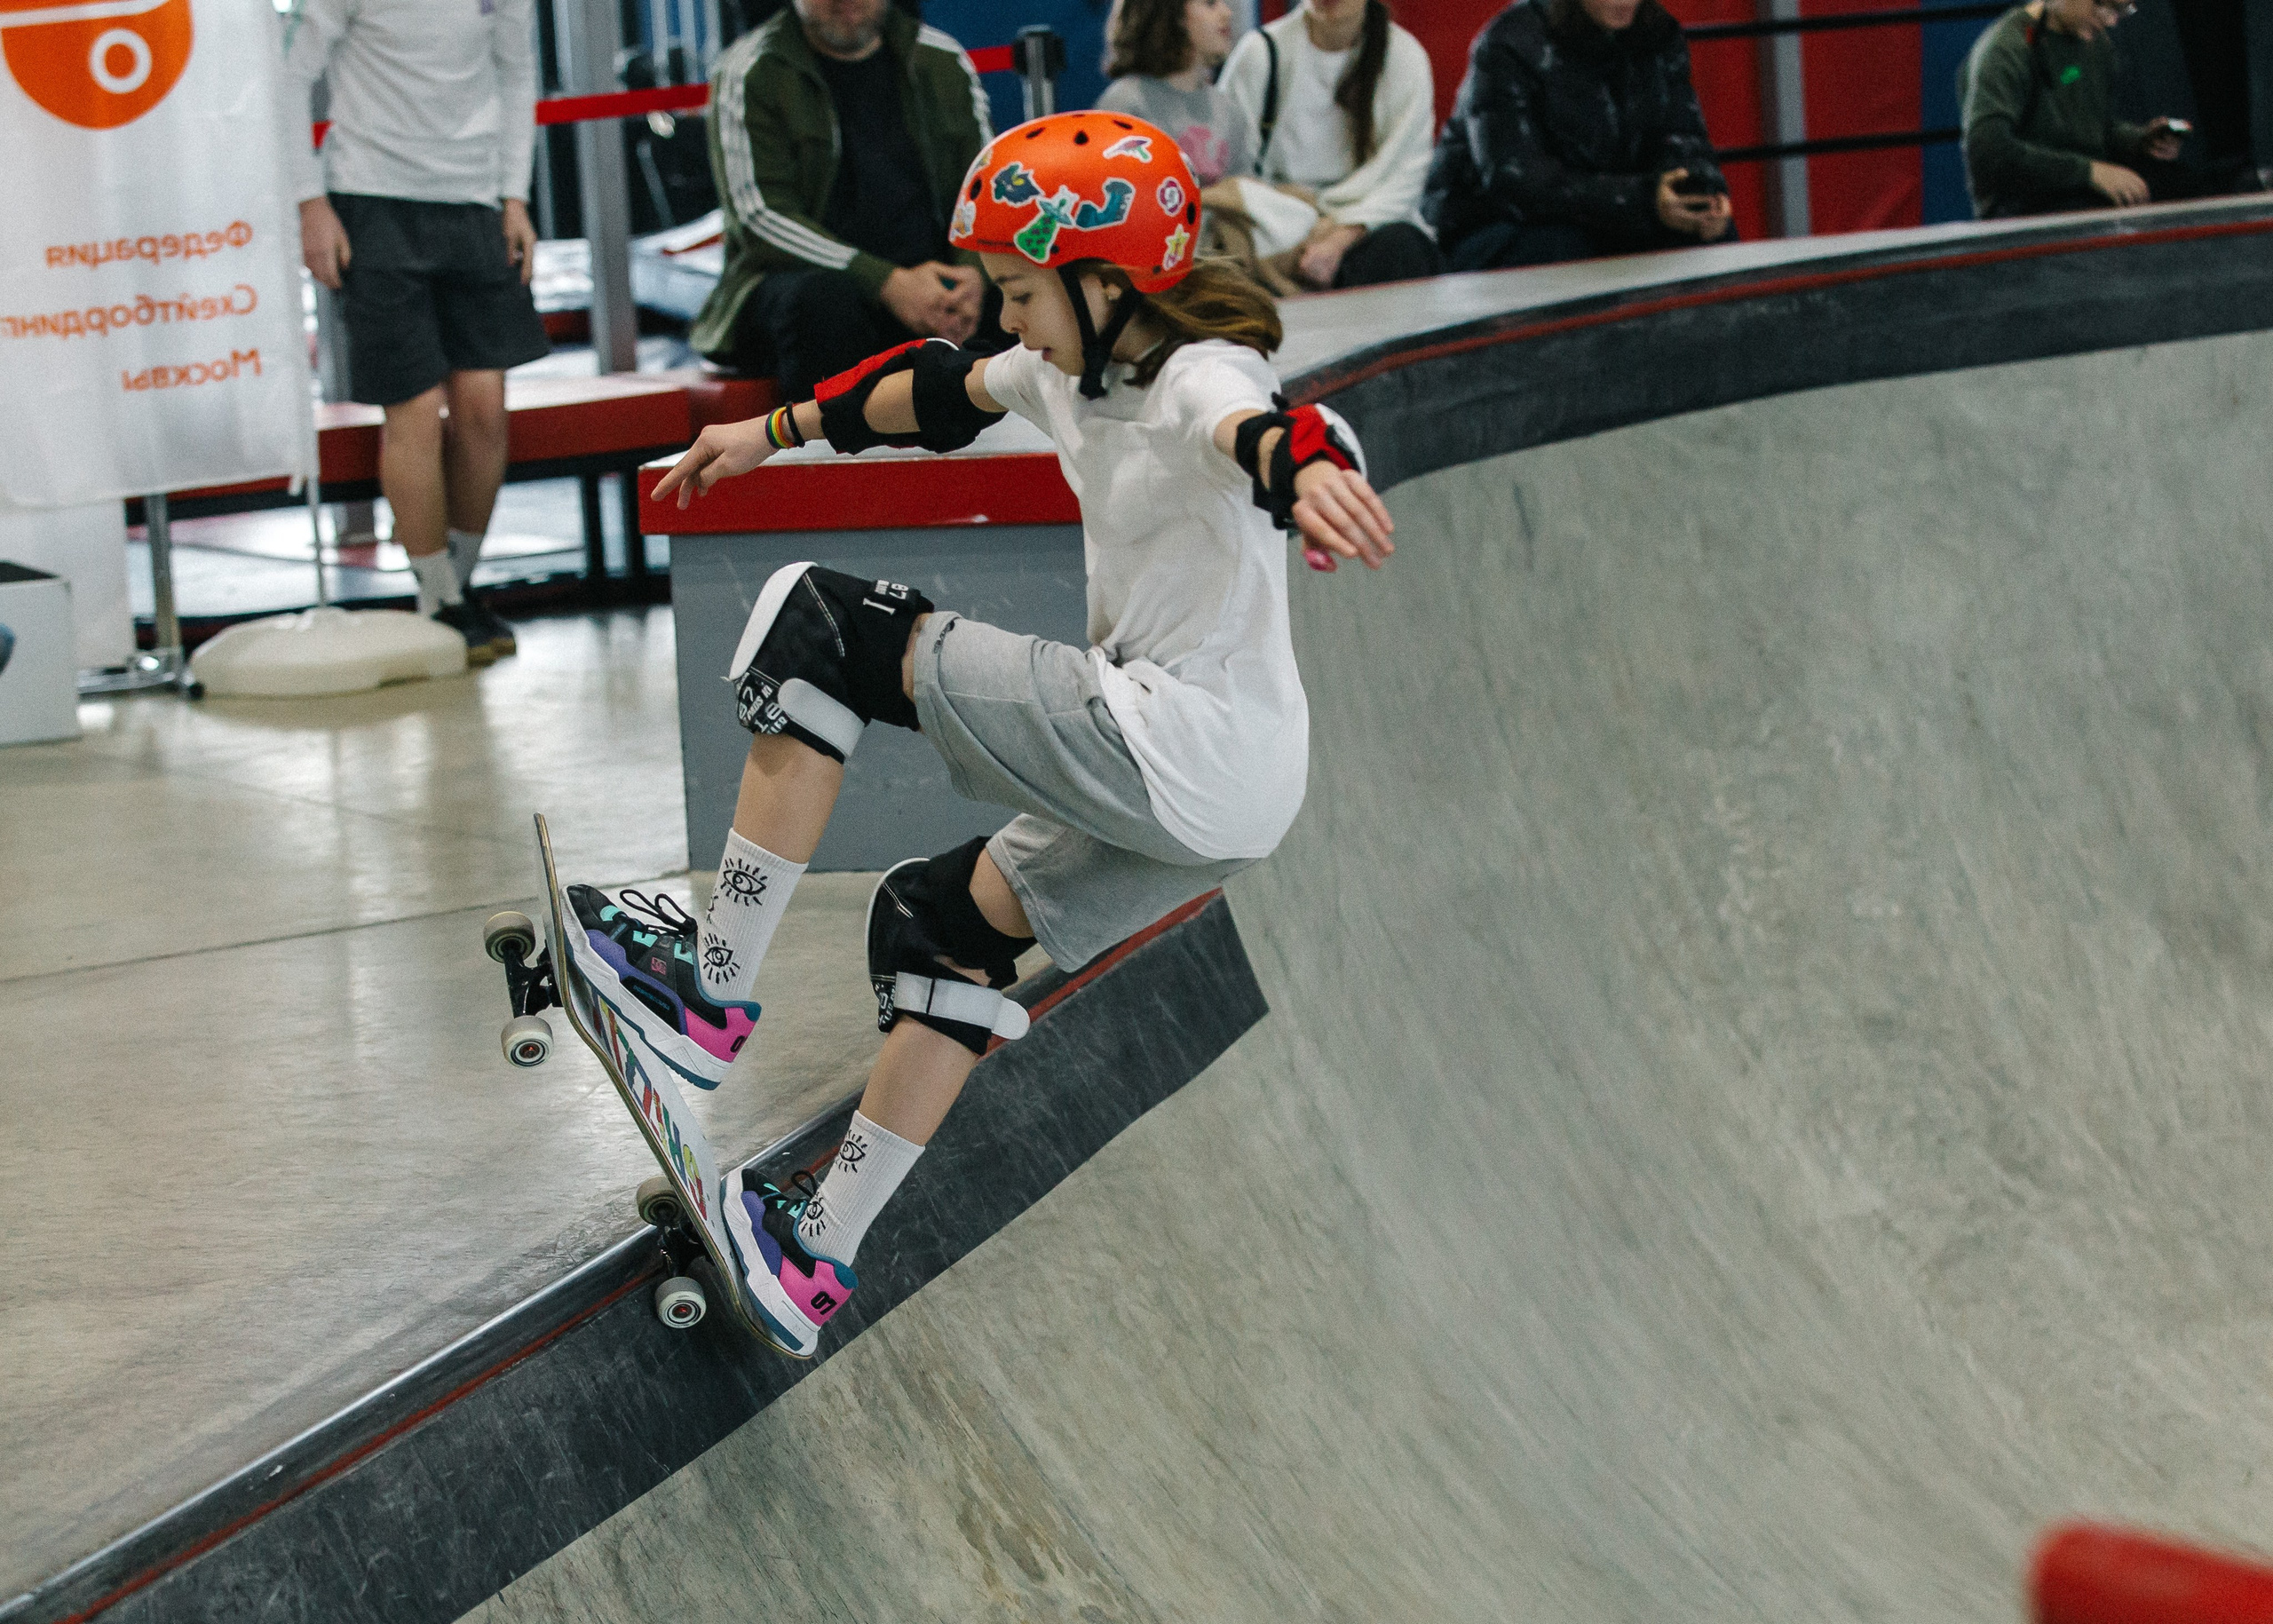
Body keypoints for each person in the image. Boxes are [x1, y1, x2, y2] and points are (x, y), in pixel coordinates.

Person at [566, 113, 1396, 1359]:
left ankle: (704, 987)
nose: (1008, 320)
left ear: (1107, 282)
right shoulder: (1068, 366)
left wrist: (1303, 470)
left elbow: (1259, 429)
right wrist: (770, 433)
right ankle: (811, 1247)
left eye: (1022, 292)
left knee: (820, 627)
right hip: (1236, 798)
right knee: (939, 925)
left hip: (1168, 739)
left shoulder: (1194, 374)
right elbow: (934, 392)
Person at [281, 0, 545, 662]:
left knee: (484, 411)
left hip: (476, 204)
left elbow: (518, 74)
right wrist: (310, 204)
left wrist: (514, 195)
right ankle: (436, 597)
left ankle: (459, 583)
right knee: (417, 413)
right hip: (374, 202)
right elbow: (287, 79)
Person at [693, 0, 997, 398]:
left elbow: (986, 184)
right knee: (825, 306)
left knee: (1027, 287)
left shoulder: (942, 59)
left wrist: (974, 273)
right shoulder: (752, 69)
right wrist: (886, 282)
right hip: (802, 282)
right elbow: (760, 217)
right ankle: (826, 456)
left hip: (933, 277)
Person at [1422, 0, 1733, 271]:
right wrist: (1645, 200)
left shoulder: (1659, 34)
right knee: (1563, 246)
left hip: (1615, 211)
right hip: (1493, 227)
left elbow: (1686, 136)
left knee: (1709, 232)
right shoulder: (1508, 43)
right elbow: (1515, 181)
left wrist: (1701, 197)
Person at [1217, 0, 1444, 290]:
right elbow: (1230, 170)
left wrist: (1341, 236)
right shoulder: (1261, 51)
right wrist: (1295, 217)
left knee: (1402, 249)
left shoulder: (1404, 57)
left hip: (1370, 223)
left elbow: (1404, 178)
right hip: (1277, 219)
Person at [1957, 0, 2188, 218]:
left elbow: (2098, 130)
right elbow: (1988, 152)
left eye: (2121, 9)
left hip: (2080, 192)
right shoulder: (2007, 48)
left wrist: (2140, 142)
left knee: (2183, 185)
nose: (2110, 21)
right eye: (2100, 4)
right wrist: (2089, 173)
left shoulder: (2096, 46)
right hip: (2024, 206)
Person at [1097, 0, 1255, 194]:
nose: (1227, 13)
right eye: (1210, 3)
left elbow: (1245, 199)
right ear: (1169, 14)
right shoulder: (1125, 106)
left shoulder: (1229, 111)